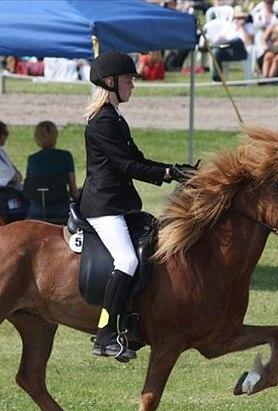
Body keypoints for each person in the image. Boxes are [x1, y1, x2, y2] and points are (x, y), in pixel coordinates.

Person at [80, 51, 193, 361]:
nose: (133, 85)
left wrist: (174, 170)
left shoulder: (115, 118)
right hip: (103, 206)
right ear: (110, 82)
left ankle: (131, 326)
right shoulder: (102, 121)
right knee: (127, 261)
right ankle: (104, 334)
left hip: (119, 203)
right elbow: (127, 167)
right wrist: (168, 174)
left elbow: (138, 160)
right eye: (128, 80)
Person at [24, 121, 79, 220]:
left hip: (37, 210)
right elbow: (74, 192)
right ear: (55, 136)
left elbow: (31, 185)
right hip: (61, 209)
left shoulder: (32, 159)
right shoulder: (65, 156)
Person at [206, 6, 255, 81]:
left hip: (242, 52)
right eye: (238, 18)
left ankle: (220, 46)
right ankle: (217, 78)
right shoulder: (229, 26)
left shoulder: (249, 27)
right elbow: (221, 37)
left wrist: (242, 28)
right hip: (228, 51)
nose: (240, 20)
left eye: (242, 18)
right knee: (216, 52)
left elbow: (250, 42)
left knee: (237, 41)